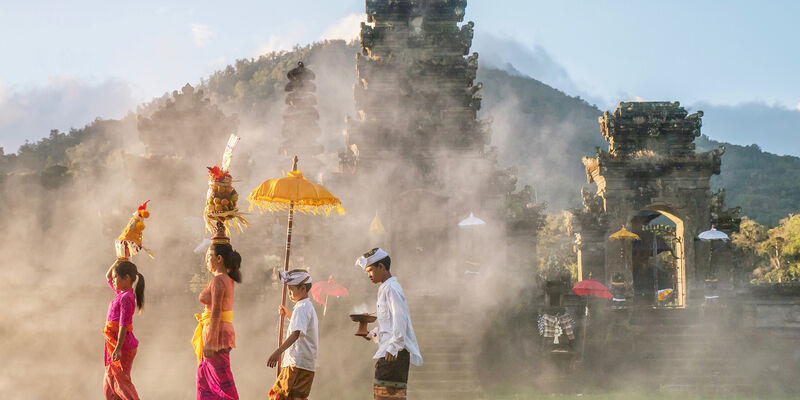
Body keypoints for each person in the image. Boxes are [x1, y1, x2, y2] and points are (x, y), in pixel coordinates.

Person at [355, 248, 423, 400]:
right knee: (383, 395)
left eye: (370, 270)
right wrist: (372, 334)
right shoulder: (385, 288)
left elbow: (400, 319)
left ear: (381, 267)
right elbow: (389, 324)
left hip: (394, 353)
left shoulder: (391, 288)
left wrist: (393, 347)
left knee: (387, 396)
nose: (369, 275)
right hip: (391, 351)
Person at [193, 229, 242, 400]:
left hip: (216, 337)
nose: (207, 261)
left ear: (219, 259)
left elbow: (215, 313)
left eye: (209, 257)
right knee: (204, 381)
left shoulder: (219, 280)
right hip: (218, 333)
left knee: (223, 385)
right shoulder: (225, 279)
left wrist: (210, 343)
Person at [267, 269, 319, 400]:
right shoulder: (306, 307)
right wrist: (288, 315)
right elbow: (301, 328)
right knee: (294, 396)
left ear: (303, 288)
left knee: (282, 396)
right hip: (303, 364)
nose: (289, 293)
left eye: (291, 289)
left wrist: (277, 352)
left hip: (297, 364)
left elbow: (296, 334)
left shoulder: (302, 308)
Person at [103, 260, 145, 400]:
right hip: (114, 343)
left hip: (122, 344)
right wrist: (119, 259)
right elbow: (107, 276)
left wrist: (118, 348)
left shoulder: (127, 297)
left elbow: (123, 325)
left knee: (121, 384)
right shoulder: (121, 294)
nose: (113, 281)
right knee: (111, 383)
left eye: (116, 278)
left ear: (126, 278)